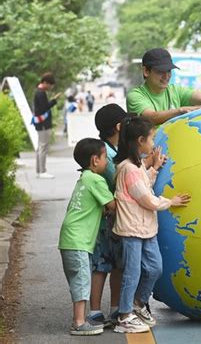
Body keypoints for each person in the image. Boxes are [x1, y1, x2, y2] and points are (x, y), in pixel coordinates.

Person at [113, 115, 191, 333]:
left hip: (146, 229)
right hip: (132, 230)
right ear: (140, 141)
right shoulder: (127, 168)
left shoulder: (135, 167)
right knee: (132, 272)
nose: (153, 144)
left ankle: (138, 304)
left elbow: (143, 185)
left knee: (155, 268)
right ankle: (124, 316)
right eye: (151, 139)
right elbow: (146, 199)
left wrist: (154, 167)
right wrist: (171, 201)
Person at [58, 138, 116, 335]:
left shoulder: (83, 178)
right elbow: (113, 205)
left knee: (78, 279)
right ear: (95, 160)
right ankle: (79, 322)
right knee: (82, 279)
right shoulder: (96, 179)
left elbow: (92, 208)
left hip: (70, 238)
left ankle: (80, 319)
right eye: (105, 158)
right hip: (78, 240)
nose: (107, 162)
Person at [86, 104, 128, 327]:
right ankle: (99, 310)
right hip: (108, 219)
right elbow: (118, 179)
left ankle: (109, 309)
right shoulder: (108, 155)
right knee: (105, 265)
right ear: (120, 126)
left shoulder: (107, 148)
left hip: (111, 218)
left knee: (111, 264)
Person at [126, 48, 201, 125]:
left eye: (169, 70)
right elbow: (150, 117)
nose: (166, 76)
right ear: (146, 71)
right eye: (160, 71)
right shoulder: (135, 96)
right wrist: (180, 111)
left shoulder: (176, 90)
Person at [33, 72, 61, 179]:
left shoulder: (38, 92)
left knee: (40, 146)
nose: (51, 87)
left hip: (40, 123)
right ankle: (42, 171)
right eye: (50, 84)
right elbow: (44, 108)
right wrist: (54, 100)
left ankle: (39, 170)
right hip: (43, 124)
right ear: (45, 82)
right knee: (43, 147)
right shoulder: (41, 93)